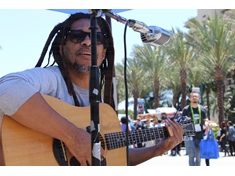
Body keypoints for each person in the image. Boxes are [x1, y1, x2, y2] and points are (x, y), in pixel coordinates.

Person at [0, 12, 183, 166]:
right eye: (77, 36)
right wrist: (73, 136)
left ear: (104, 53)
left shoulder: (100, 107)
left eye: (96, 37)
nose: (87, 42)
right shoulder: (52, 79)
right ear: (63, 48)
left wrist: (158, 149)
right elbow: (6, 88)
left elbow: (115, 155)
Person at [182, 91, 207, 166]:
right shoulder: (186, 109)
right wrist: (186, 120)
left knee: (198, 157)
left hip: (200, 135)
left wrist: (208, 125)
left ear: (199, 98)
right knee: (191, 156)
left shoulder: (202, 109)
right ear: (190, 99)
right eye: (192, 96)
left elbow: (205, 120)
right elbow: (182, 122)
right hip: (189, 135)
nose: (194, 98)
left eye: (196, 96)